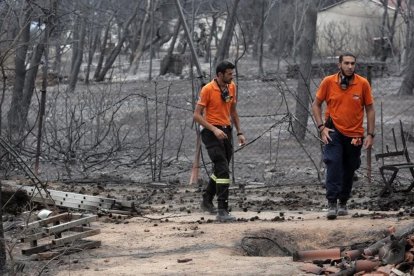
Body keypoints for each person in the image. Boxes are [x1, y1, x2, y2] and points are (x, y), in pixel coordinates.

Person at [311, 53, 375, 220]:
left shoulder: (362, 84)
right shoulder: (328, 82)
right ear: (339, 65)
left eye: (353, 63)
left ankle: (343, 202)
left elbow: (370, 108)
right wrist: (321, 127)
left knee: (349, 167)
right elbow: (316, 104)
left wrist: (370, 134)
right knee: (333, 163)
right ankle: (332, 202)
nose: (350, 66)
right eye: (346, 63)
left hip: (355, 134)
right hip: (334, 131)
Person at [193, 61, 246, 222]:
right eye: (229, 74)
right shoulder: (208, 89)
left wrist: (239, 132)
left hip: (226, 131)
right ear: (219, 75)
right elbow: (196, 115)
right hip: (211, 132)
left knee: (220, 168)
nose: (232, 76)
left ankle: (207, 200)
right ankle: (222, 209)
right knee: (223, 169)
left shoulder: (232, 87)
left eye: (232, 73)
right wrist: (214, 129)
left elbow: (233, 111)